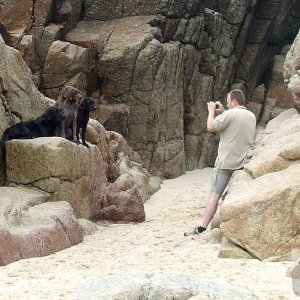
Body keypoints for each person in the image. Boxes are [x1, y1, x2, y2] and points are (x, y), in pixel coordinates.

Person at [184, 89, 256, 236]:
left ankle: (202, 227)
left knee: (214, 195)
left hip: (225, 163)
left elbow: (211, 127)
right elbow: (233, 124)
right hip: (243, 163)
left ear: (234, 102)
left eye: (229, 102)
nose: (228, 104)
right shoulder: (251, 116)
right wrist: (223, 112)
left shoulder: (230, 114)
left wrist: (211, 111)